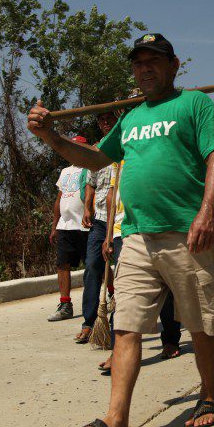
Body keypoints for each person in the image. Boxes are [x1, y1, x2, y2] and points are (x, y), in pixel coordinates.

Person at [27, 32, 214, 427]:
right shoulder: (132, 117)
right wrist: (52, 137)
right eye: (139, 63)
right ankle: (116, 422)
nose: (145, 68)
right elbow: (95, 158)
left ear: (174, 65)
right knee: (126, 328)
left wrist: (206, 213)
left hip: (185, 233)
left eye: (154, 61)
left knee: (200, 323)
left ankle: (209, 393)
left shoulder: (194, 104)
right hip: (136, 236)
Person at [97, 160, 182, 374]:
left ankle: (170, 340)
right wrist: (107, 235)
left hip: (152, 223)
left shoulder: (148, 146)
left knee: (166, 286)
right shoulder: (118, 158)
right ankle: (119, 351)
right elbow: (111, 196)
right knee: (124, 293)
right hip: (121, 230)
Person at [75, 112, 120, 343]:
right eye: (101, 120)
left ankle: (117, 329)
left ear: (117, 121)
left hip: (121, 219)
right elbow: (91, 183)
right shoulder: (95, 149)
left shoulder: (124, 143)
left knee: (122, 273)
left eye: (109, 119)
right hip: (100, 218)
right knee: (92, 266)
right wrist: (87, 208)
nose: (105, 123)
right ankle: (89, 323)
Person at [47, 135, 90, 322]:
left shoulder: (91, 168)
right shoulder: (65, 171)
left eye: (78, 147)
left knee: (94, 264)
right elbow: (59, 199)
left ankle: (111, 294)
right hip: (65, 225)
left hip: (84, 225)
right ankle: (65, 304)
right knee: (62, 264)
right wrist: (55, 225)